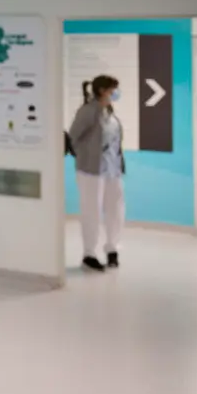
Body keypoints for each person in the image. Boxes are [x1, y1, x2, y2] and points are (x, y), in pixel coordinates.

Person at [68, 75, 125, 272]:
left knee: (115, 210)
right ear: (102, 90)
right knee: (91, 211)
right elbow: (73, 138)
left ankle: (112, 249)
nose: (115, 93)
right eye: (113, 90)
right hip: (91, 170)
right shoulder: (88, 111)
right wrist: (88, 154)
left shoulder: (109, 111)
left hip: (112, 169)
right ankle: (89, 254)